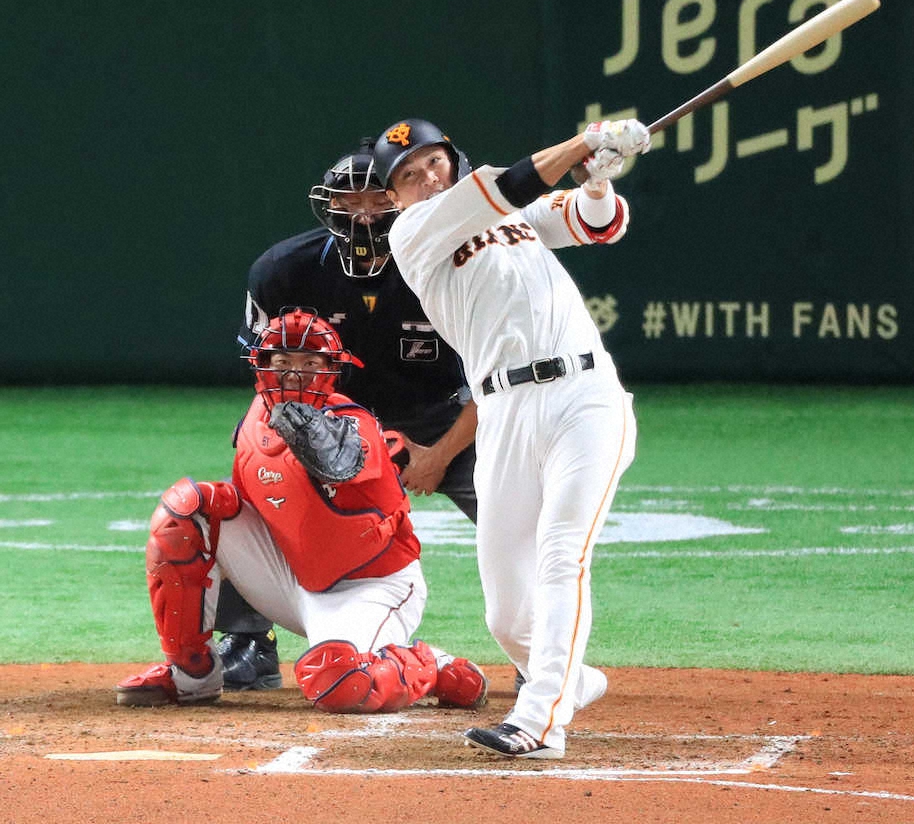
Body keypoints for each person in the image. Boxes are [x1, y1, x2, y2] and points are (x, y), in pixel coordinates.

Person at [372, 116, 648, 758]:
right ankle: (571, 679)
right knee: (506, 614)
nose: (427, 177)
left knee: (561, 554)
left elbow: (599, 224)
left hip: (586, 397)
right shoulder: (415, 231)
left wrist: (597, 181)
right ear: (392, 198)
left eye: (434, 161)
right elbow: (512, 183)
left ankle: (540, 720)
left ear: (452, 158)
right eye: (408, 175)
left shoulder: (510, 211)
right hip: (503, 414)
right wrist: (585, 142)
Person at [116, 308, 487, 714]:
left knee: (338, 684)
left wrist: (317, 437)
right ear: (262, 367)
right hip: (289, 575)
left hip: (371, 587)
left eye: (310, 364)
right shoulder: (254, 421)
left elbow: (345, 461)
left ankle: (429, 665)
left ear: (331, 371)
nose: (294, 375)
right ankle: (191, 675)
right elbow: (244, 506)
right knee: (186, 510)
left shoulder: (354, 423)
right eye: (282, 362)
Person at [215, 139, 479, 691]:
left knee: (513, 513)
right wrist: (283, 438)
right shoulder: (283, 271)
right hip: (325, 418)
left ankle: (538, 652)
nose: (363, 215)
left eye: (376, 200)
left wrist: (438, 457)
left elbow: (492, 384)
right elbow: (264, 370)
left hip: (436, 418)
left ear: (400, 198)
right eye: (348, 201)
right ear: (327, 204)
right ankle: (247, 640)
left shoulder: (455, 266)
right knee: (254, 479)